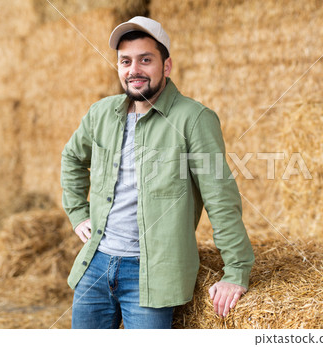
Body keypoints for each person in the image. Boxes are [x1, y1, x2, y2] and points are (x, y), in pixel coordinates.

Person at [61, 16, 254, 329]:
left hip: (150, 274)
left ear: (166, 66)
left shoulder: (194, 119)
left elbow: (220, 197)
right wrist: (78, 212)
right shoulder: (101, 113)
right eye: (125, 61)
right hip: (94, 266)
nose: (134, 70)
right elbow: (71, 157)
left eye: (145, 60)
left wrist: (236, 272)